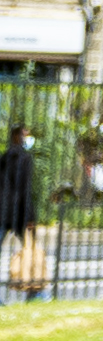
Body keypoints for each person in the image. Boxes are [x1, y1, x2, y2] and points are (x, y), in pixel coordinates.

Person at [0, 124, 42, 301]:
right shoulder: (25, 158)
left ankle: (35, 291)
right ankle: (34, 291)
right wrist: (30, 216)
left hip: (2, 211)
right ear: (18, 136)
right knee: (31, 250)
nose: (27, 137)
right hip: (19, 213)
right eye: (25, 134)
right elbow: (26, 189)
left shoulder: (3, 157)